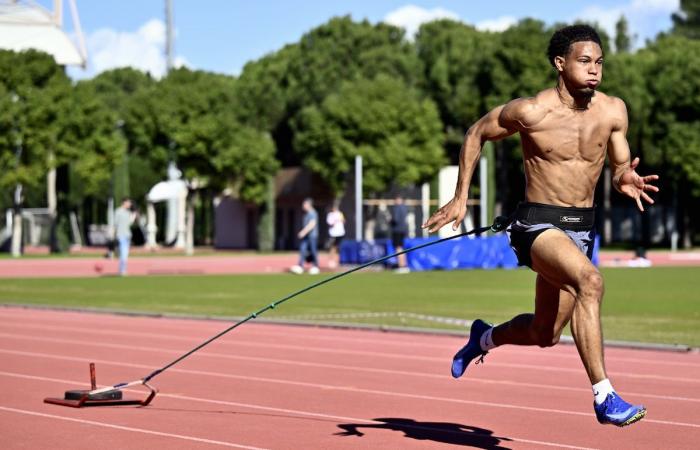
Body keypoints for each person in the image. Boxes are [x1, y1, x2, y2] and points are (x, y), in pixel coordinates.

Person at [422, 25, 658, 427]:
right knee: (591, 282)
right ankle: (604, 396)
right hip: (537, 225)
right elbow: (477, 132)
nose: (595, 70)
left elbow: (619, 165)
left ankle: (482, 337)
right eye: (585, 61)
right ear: (560, 63)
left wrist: (624, 178)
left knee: (545, 332)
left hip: (582, 228)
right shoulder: (532, 111)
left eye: (599, 62)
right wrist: (461, 197)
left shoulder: (613, 111)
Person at [290, 198, 320, 275]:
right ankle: (300, 266)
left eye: (304, 204)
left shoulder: (313, 213)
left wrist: (303, 232)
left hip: (312, 236)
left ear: (309, 205)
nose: (303, 206)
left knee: (313, 251)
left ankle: (315, 266)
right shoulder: (306, 214)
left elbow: (312, 224)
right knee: (303, 249)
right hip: (306, 236)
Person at [113, 198, 135, 276]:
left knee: (125, 254)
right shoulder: (118, 211)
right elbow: (115, 224)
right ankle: (122, 270)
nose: (130, 204)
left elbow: (129, 224)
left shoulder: (128, 212)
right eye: (129, 202)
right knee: (124, 253)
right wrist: (114, 235)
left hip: (127, 235)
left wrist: (133, 216)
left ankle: (122, 270)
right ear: (124, 202)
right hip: (120, 235)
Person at [391, 195, 410, 273]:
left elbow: (395, 220)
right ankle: (404, 265)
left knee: (398, 248)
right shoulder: (405, 207)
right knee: (401, 248)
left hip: (397, 230)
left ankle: (401, 266)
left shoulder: (397, 208)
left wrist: (390, 221)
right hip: (403, 230)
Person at [325, 201, 345, 269]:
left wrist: (340, 219)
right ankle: (331, 261)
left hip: (340, 233)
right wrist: (335, 220)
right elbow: (330, 223)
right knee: (332, 247)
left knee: (338, 247)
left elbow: (343, 221)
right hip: (333, 233)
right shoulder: (330, 215)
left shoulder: (340, 213)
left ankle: (338, 261)